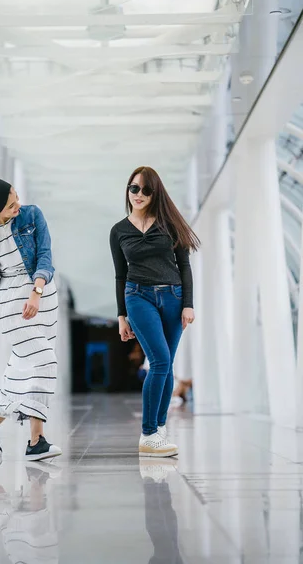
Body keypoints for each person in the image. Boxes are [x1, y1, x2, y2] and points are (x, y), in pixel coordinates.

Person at [0, 177, 62, 461]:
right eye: (9, 205)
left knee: (20, 369)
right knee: (44, 361)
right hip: (9, 300)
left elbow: (44, 254)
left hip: (43, 294)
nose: (17, 205)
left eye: (16, 197)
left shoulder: (32, 214)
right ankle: (36, 441)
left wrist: (37, 291)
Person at [109, 167, 199, 458]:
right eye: (134, 188)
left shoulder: (170, 224)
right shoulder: (119, 231)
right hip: (138, 296)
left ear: (155, 193)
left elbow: (184, 265)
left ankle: (159, 429)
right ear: (128, 190)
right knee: (159, 361)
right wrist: (122, 316)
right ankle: (148, 434)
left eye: (146, 190)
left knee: (167, 364)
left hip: (173, 297)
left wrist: (188, 303)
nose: (139, 195)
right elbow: (120, 275)